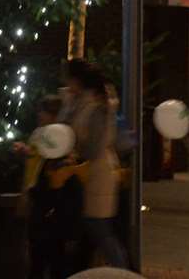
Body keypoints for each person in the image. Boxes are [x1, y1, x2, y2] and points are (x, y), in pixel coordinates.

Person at [65, 59, 126, 270]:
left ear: (78, 81)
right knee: (92, 231)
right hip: (92, 173)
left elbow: (94, 146)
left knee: (99, 228)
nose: (66, 84)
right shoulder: (86, 102)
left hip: (99, 173)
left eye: (69, 79)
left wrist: (77, 154)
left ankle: (123, 272)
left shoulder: (98, 106)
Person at [14, 94, 82, 279]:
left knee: (44, 261)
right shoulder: (56, 147)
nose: (39, 116)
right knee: (49, 262)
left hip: (48, 218)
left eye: (43, 112)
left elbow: (50, 191)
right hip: (50, 218)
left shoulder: (58, 152)